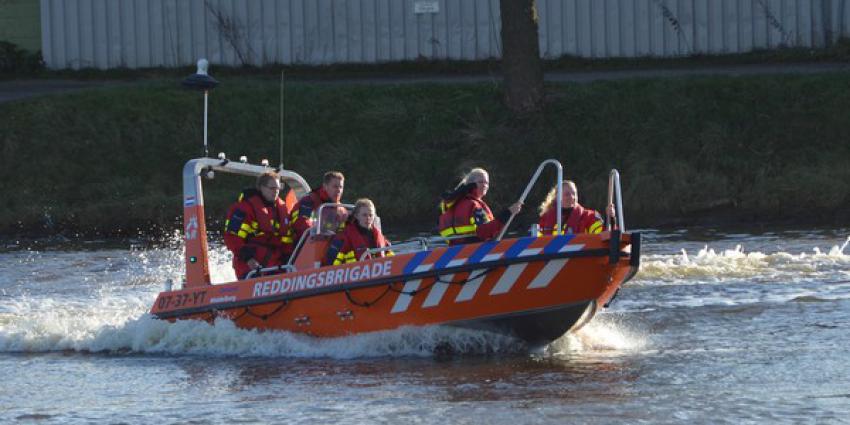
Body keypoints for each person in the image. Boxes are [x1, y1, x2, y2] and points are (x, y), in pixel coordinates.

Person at [223, 171, 293, 279]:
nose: (276, 192)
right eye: (272, 188)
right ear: (261, 188)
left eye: (278, 188)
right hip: (251, 267)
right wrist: (249, 259)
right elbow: (232, 237)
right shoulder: (244, 208)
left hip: (276, 267)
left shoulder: (282, 210)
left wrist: (288, 258)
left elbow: (287, 240)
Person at [438, 168, 522, 245]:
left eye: (487, 183)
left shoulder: (452, 205)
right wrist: (508, 213)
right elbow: (484, 232)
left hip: (454, 252)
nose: (485, 185)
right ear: (472, 184)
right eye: (481, 182)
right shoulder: (473, 205)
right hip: (475, 251)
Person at [325, 198, 393, 265]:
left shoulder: (379, 237)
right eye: (364, 215)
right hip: (352, 272)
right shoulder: (344, 237)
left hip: (379, 271)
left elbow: (391, 257)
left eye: (371, 215)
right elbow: (331, 262)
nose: (368, 218)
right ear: (356, 216)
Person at [287, 170, 347, 243]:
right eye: (335, 186)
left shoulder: (341, 210)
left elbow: (343, 232)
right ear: (325, 186)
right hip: (305, 246)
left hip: (327, 248)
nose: (338, 190)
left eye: (341, 187)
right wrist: (313, 235)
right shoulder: (309, 201)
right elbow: (300, 222)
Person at [537, 180, 616, 235]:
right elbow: (536, 242)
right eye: (567, 194)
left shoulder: (589, 216)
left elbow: (603, 235)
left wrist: (610, 219)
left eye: (574, 193)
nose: (572, 197)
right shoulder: (546, 219)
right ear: (557, 197)